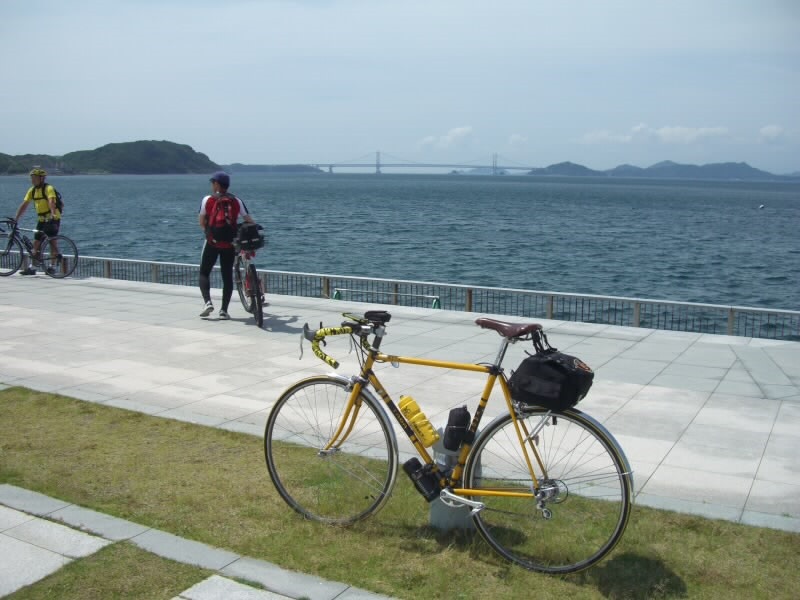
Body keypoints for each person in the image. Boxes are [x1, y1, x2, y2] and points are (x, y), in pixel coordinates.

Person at [197, 171, 254, 319]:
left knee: (204, 272)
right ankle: (224, 310)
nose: (211, 185)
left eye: (212, 182)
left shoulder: (207, 200)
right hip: (229, 244)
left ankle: (208, 302)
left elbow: (201, 222)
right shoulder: (236, 200)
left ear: (216, 184)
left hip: (212, 242)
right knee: (227, 276)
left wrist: (210, 233)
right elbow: (249, 220)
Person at [15, 167, 61, 275]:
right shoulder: (32, 190)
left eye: (34, 178)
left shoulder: (48, 188)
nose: (32, 180)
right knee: (36, 243)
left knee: (52, 241)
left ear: (41, 178)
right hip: (41, 219)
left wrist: (53, 213)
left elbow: (51, 201)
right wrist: (16, 218)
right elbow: (24, 205)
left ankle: (53, 267)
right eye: (31, 178)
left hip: (52, 218)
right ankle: (33, 267)